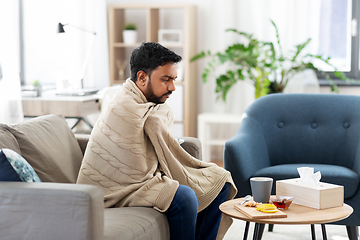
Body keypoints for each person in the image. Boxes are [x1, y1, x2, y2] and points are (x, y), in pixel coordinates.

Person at [77, 42, 237, 240]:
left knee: (220, 180)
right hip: (119, 190)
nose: (172, 87)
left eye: (174, 80)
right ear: (142, 77)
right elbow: (136, 169)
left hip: (146, 180)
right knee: (184, 197)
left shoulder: (147, 105)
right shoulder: (124, 107)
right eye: (166, 80)